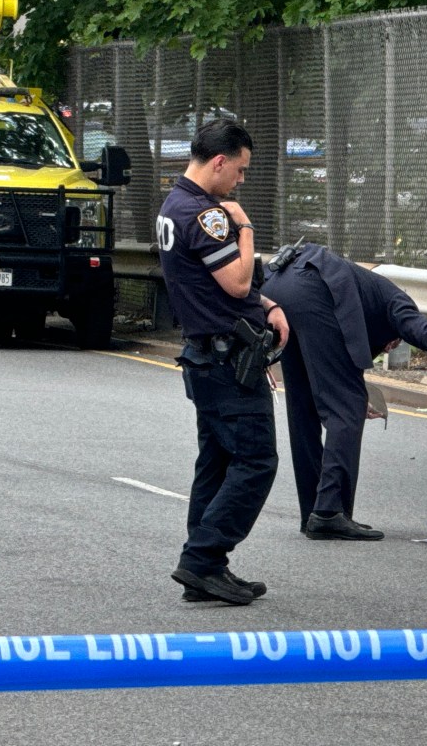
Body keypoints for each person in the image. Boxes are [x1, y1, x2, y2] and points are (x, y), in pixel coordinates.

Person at [260, 242, 427, 541]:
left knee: (303, 408)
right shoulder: (397, 305)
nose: (388, 347)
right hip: (314, 286)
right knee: (347, 407)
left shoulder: (368, 298)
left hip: (275, 286)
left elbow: (331, 367)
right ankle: (328, 512)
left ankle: (312, 512)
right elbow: (426, 332)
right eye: (391, 343)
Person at [156, 118, 289, 604]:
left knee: (216, 461)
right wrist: (245, 225)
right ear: (218, 162)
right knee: (256, 460)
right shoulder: (207, 214)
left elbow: (225, 291)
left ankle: (206, 566)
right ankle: (202, 558)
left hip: (207, 357)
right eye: (239, 170)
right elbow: (235, 283)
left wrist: (268, 305)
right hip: (227, 361)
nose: (240, 181)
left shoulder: (174, 205)